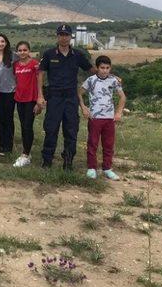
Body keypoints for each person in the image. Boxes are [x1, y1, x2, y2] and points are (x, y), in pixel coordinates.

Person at [38, 24, 96, 171]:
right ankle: (47, 161)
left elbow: (91, 70)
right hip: (54, 98)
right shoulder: (49, 54)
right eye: (61, 34)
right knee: (51, 129)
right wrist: (40, 95)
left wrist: (109, 76)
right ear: (57, 36)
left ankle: (68, 161)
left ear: (71, 37)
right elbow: (40, 74)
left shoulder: (77, 55)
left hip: (71, 98)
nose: (64, 37)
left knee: (71, 131)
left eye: (66, 35)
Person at [79, 55, 126, 180]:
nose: (104, 70)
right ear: (97, 68)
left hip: (109, 118)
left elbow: (122, 97)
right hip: (95, 117)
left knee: (108, 144)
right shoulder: (91, 80)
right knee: (93, 143)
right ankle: (91, 168)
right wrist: (83, 107)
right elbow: (79, 93)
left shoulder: (113, 80)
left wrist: (118, 112)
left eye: (107, 68)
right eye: (102, 68)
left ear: (110, 68)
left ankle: (107, 168)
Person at [12, 41, 40, 168]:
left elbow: (40, 82)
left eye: (25, 50)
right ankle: (27, 152)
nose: (22, 52)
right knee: (23, 126)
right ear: (17, 51)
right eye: (20, 50)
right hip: (19, 99)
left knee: (28, 126)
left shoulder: (35, 64)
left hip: (31, 100)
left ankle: (25, 154)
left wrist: (39, 101)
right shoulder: (16, 65)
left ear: (29, 51)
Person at [0, 33, 17, 156]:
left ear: (6, 43)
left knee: (9, 118)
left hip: (9, 92)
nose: (0, 43)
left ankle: (8, 146)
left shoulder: (13, 57)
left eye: (2, 41)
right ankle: (2, 144)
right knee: (2, 119)